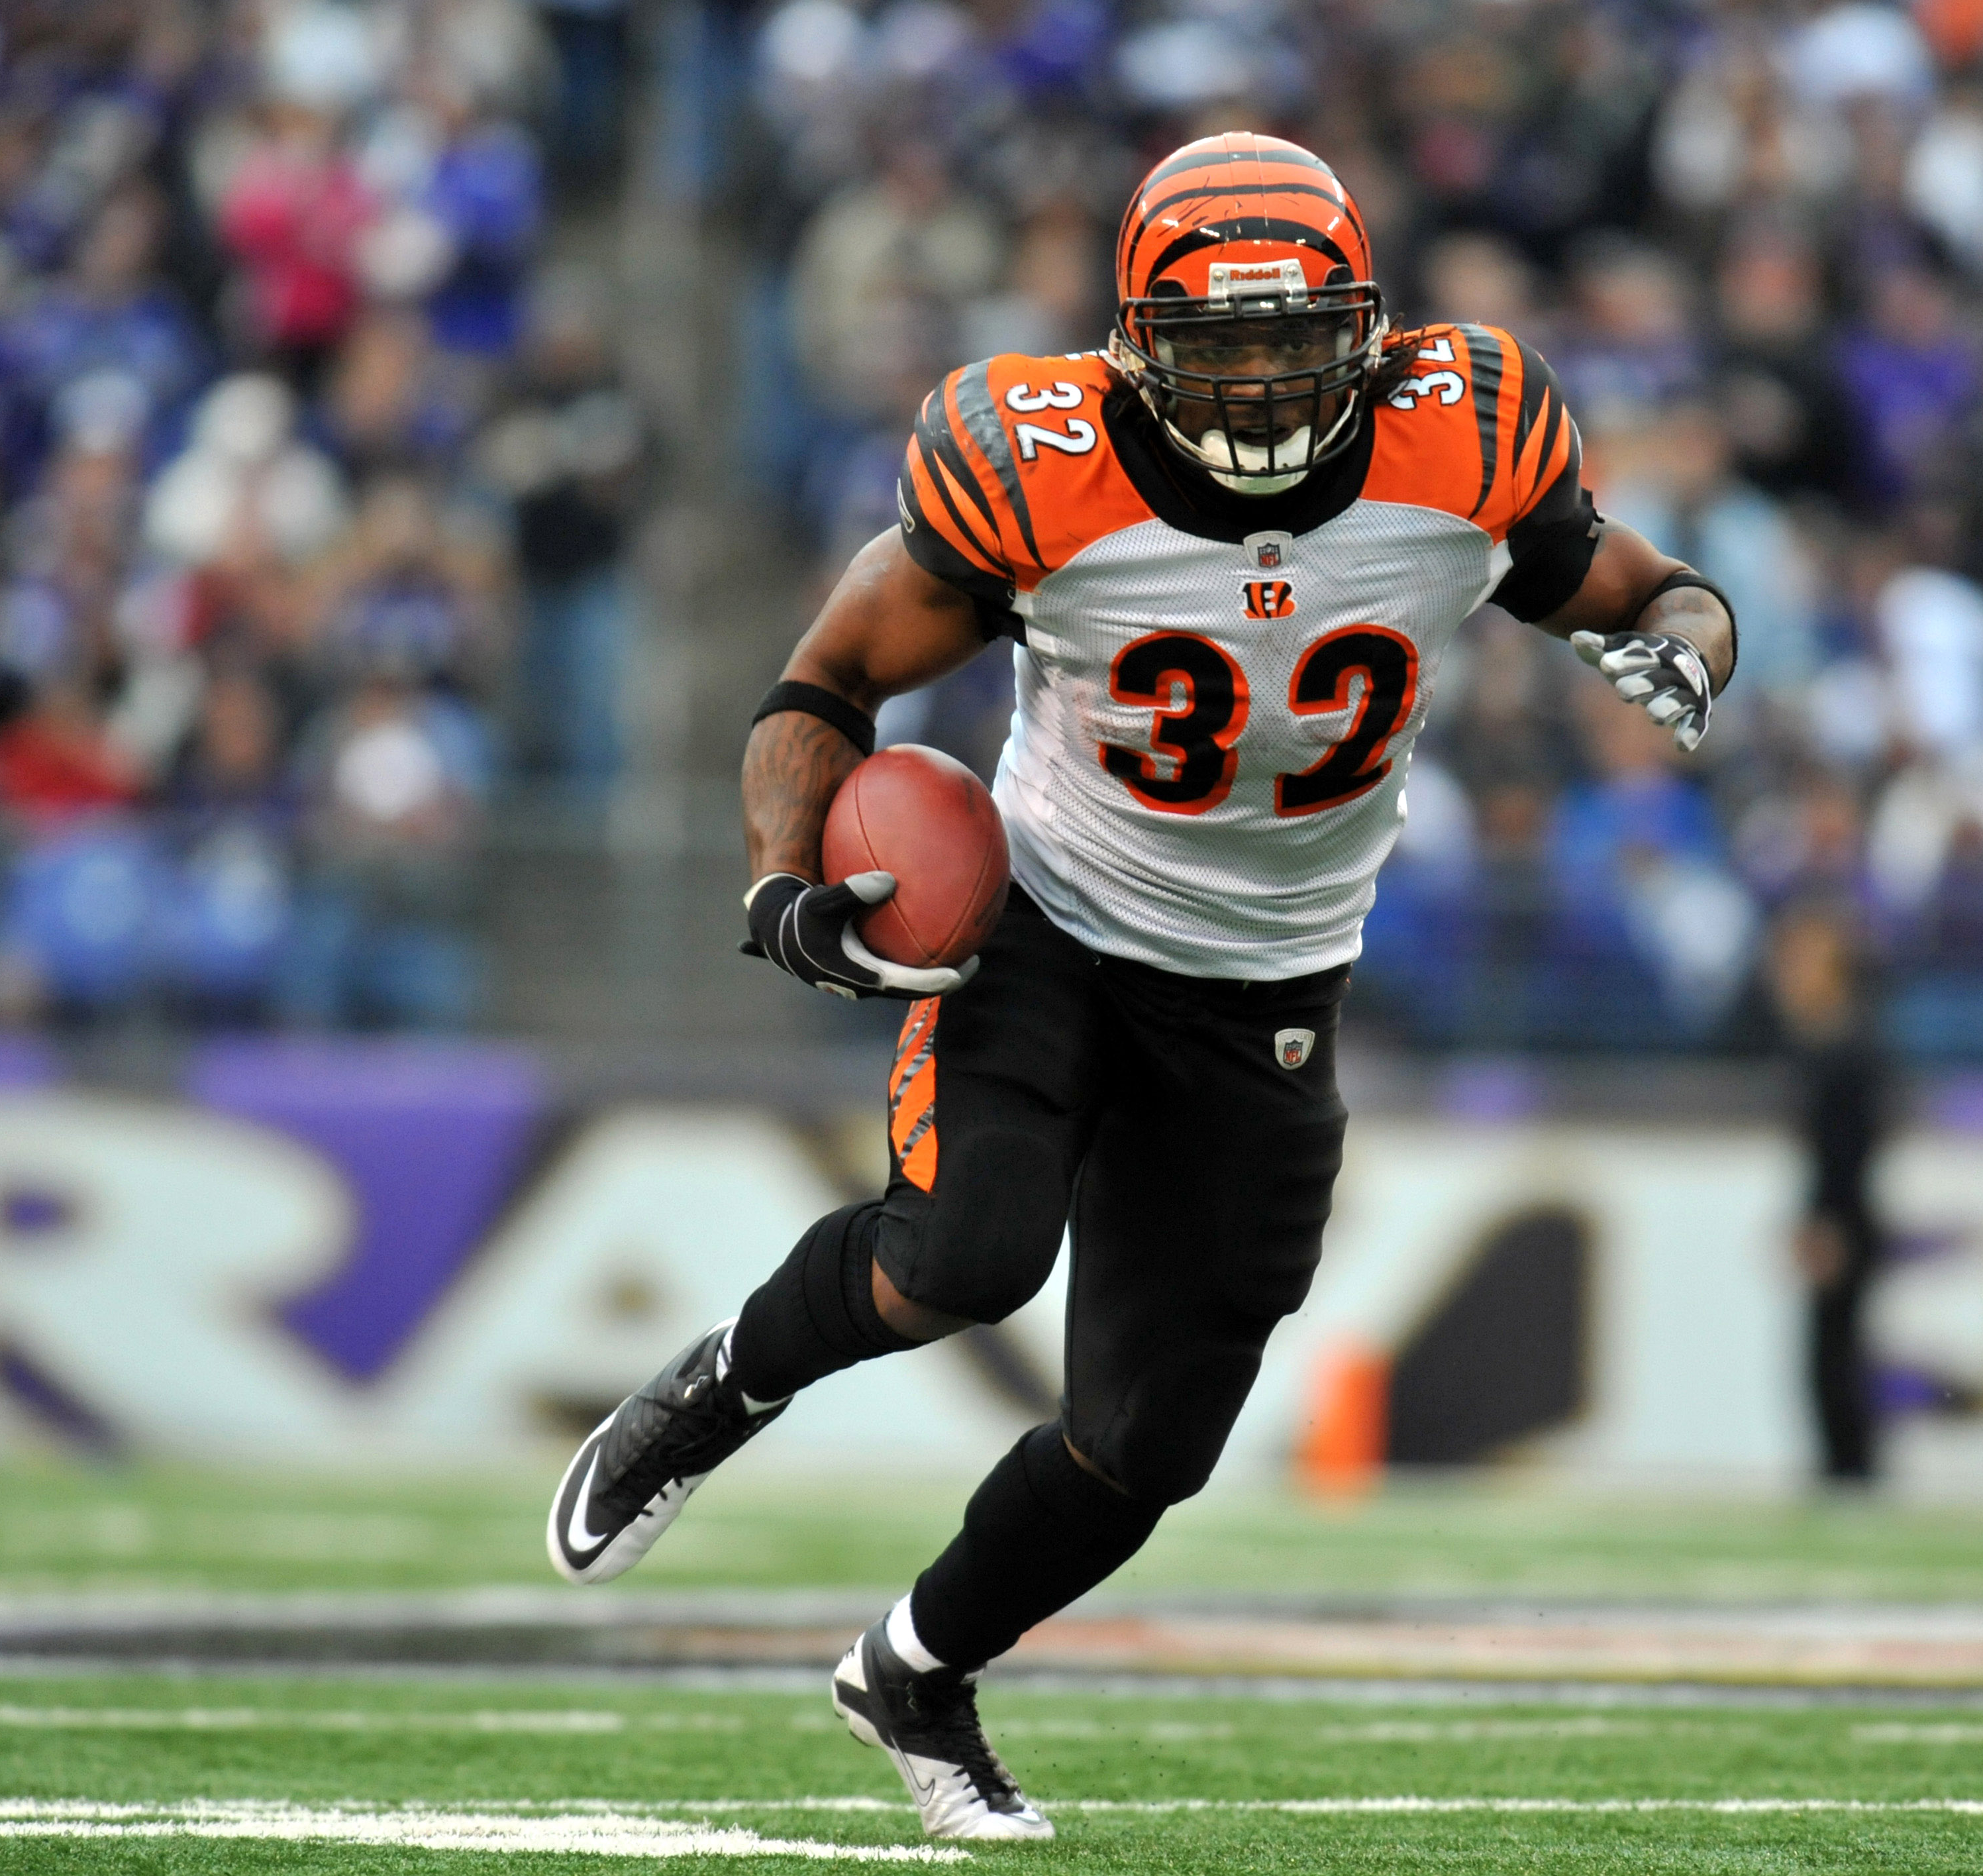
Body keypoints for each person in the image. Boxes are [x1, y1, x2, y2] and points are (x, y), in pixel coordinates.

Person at [542, 134, 1737, 1842]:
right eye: (1217, 348)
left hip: (1268, 981)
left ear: (1374, 337)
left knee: (1152, 1440)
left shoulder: (1465, 444)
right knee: (965, 1251)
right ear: (1128, 349)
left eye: (1291, 341)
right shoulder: (1040, 465)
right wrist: (784, 889)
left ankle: (916, 1667)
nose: (1258, 385)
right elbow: (829, 677)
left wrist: (1692, 634)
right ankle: (717, 1388)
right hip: (1049, 917)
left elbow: (1648, 583)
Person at [1770, 906, 1892, 1483]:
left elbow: (1849, 1151)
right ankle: (1842, 1470)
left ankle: (1849, 1472)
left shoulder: (1844, 1046)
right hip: (1838, 1211)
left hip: (1844, 1215)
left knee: (1834, 1358)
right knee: (1829, 1354)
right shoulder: (1823, 1041)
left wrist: (1825, 1223)